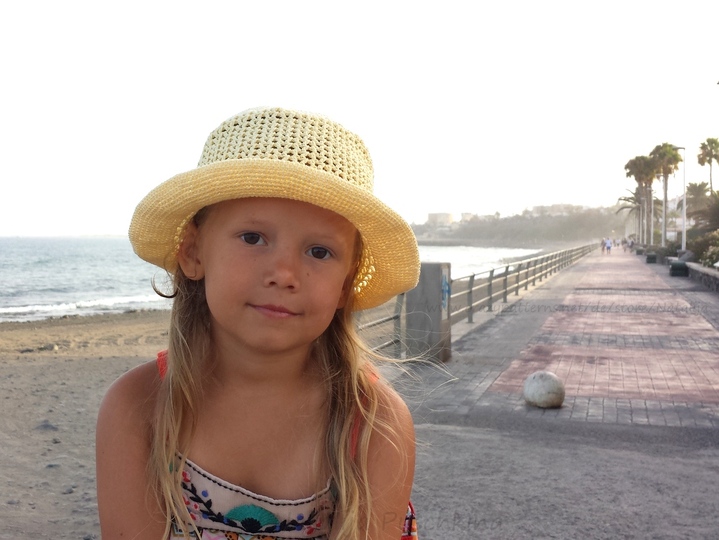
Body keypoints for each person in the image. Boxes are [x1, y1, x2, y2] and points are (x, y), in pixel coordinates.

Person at [96, 108, 420, 540]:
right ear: (193, 252)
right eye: (253, 238)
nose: (284, 274)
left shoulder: (373, 425)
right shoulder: (139, 408)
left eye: (319, 251)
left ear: (345, 284)